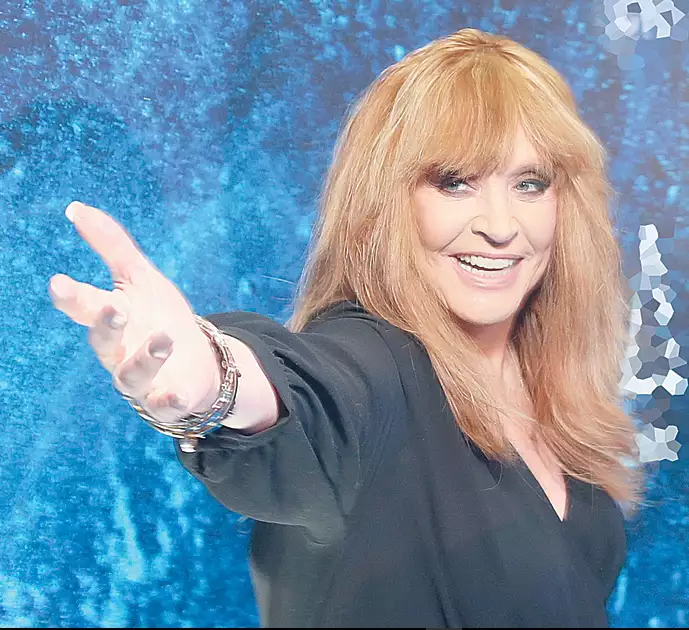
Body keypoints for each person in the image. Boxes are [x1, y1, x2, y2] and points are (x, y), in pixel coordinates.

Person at [49, 28, 644, 628]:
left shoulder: (547, 388)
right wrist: (211, 380)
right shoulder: (378, 361)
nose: (500, 225)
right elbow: (307, 392)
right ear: (387, 202)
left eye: (529, 184)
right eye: (455, 182)